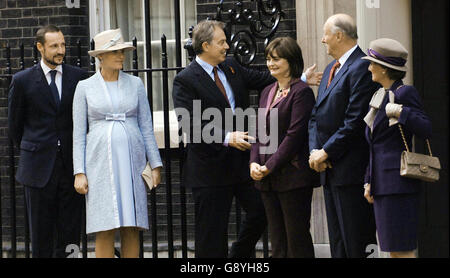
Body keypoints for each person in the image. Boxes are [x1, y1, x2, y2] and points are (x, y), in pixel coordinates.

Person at [173, 20, 322, 258]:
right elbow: (188, 123)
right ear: (205, 45)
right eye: (221, 42)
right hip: (209, 169)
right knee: (211, 235)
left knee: (262, 213)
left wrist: (301, 78)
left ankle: (238, 256)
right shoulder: (186, 79)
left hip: (242, 164)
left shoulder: (231, 67)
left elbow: (269, 80)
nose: (226, 46)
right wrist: (225, 137)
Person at [72, 28, 162, 258]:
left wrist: (156, 164)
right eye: (115, 52)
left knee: (132, 225)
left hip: (132, 163)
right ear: (101, 56)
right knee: (105, 225)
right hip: (99, 164)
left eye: (122, 51)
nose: (121, 56)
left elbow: (146, 126)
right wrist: (79, 172)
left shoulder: (136, 84)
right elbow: (79, 134)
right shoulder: (84, 88)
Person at [8, 25, 88, 258]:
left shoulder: (79, 77)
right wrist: (36, 149)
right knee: (41, 237)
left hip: (71, 169)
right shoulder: (22, 81)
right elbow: (15, 127)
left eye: (62, 45)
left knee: (70, 236)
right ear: (40, 47)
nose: (60, 50)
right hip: (37, 169)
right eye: (54, 46)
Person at [308, 14, 379, 258]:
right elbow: (315, 117)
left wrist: (326, 151)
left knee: (357, 243)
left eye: (326, 34)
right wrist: (315, 152)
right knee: (338, 243)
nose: (322, 40)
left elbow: (355, 120)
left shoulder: (362, 66)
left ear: (339, 35)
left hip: (351, 171)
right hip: (329, 170)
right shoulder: (330, 68)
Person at [362, 38, 432, 258]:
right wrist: (369, 180)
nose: (369, 67)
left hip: (399, 184)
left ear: (384, 68)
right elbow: (375, 145)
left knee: (402, 250)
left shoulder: (404, 93)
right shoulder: (379, 95)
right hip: (382, 185)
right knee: (394, 250)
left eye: (373, 63)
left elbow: (426, 128)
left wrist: (402, 113)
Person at [249, 37, 319, 258]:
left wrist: (268, 166)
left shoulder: (302, 92)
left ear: (291, 61)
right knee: (277, 243)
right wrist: (253, 162)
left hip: (293, 178)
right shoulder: (267, 91)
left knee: (296, 240)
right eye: (268, 59)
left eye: (276, 59)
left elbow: (294, 136)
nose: (270, 64)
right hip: (267, 179)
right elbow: (258, 131)